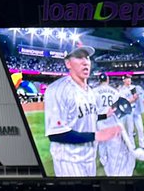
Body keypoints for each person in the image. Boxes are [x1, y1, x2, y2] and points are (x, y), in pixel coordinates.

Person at [43, 44, 123, 177]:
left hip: (89, 158)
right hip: (69, 161)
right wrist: (96, 136)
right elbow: (56, 134)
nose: (85, 62)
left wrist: (104, 115)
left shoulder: (90, 91)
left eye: (87, 58)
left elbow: (87, 116)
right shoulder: (57, 90)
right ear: (68, 63)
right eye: (79, 57)